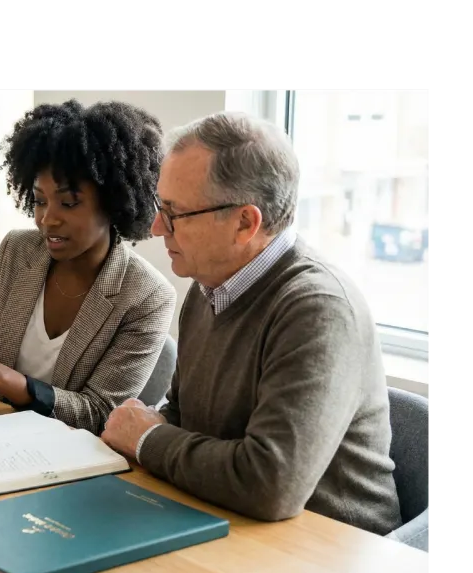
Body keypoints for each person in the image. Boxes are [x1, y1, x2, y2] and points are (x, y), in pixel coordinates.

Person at [99, 110, 403, 537]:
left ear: (245, 222)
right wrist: (147, 428)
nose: (155, 227)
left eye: (174, 213)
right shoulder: (207, 287)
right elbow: (184, 419)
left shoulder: (319, 309)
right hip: (228, 521)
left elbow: (271, 483)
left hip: (332, 548)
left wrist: (148, 440)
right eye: (159, 206)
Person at [0, 99, 177, 436]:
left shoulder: (146, 296)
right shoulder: (16, 251)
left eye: (68, 203)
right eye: (39, 200)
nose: (47, 219)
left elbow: (99, 414)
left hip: (70, 461)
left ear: (113, 203)